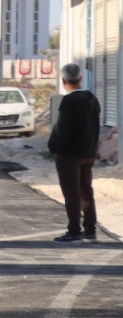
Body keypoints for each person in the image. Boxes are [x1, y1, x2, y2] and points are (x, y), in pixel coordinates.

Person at [49, 63, 101, 242]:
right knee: (86, 191)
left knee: (71, 193)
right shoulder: (92, 98)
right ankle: (90, 230)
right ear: (80, 78)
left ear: (63, 81)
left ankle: (74, 230)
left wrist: (56, 148)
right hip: (89, 153)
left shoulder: (68, 101)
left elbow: (63, 130)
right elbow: (95, 126)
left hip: (69, 155)